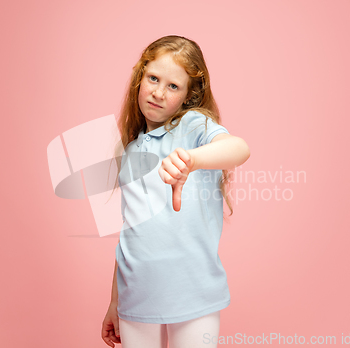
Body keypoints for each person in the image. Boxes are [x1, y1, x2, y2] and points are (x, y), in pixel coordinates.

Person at [101, 35, 250, 348]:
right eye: (153, 78)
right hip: (136, 297)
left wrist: (192, 160)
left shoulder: (193, 127)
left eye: (173, 86)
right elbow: (130, 232)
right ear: (139, 79)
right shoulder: (129, 150)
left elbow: (238, 148)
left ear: (188, 95)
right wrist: (115, 302)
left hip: (194, 294)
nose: (157, 92)